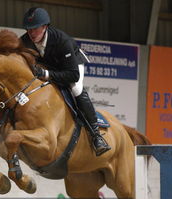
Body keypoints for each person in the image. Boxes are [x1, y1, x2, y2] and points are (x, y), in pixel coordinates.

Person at [20, 7, 111, 156]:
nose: (31, 33)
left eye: (35, 29)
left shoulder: (62, 40)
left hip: (71, 66)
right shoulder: (24, 42)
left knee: (76, 89)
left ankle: (96, 135)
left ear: (45, 27)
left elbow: (73, 75)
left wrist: (47, 74)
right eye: (28, 29)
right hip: (48, 67)